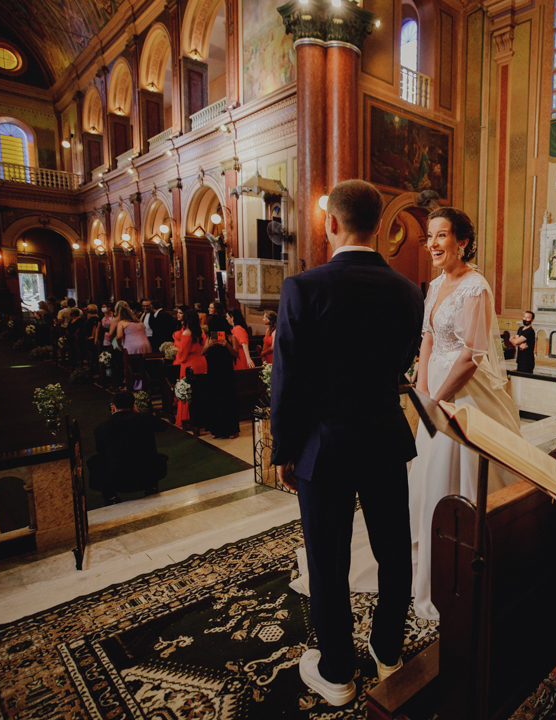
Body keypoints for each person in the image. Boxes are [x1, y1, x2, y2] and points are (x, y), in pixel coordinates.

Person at [270, 179, 424, 707]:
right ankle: (387, 652)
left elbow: (286, 381)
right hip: (383, 438)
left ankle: (337, 672)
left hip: (323, 446)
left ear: (330, 224)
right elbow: (401, 361)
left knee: (328, 560)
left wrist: (284, 450)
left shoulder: (303, 288)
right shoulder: (409, 291)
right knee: (393, 553)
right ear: (380, 228)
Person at [410, 206, 524, 620]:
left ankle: (466, 558)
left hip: (464, 394)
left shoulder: (476, 287)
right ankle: (429, 554)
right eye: (430, 236)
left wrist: (440, 397)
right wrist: (422, 391)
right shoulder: (435, 285)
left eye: (442, 236)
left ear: (462, 241)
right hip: (435, 389)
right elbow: (426, 339)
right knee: (426, 471)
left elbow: (472, 355)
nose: (434, 244)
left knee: (458, 472)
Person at [88, 391, 168, 505]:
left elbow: (101, 452)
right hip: (146, 471)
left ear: (113, 407)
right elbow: (163, 426)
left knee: (96, 461)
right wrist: (138, 413)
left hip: (118, 476)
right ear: (134, 405)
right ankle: (152, 488)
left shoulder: (102, 428)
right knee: (155, 457)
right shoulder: (145, 418)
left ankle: (111, 497)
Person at [202, 301, 241, 439]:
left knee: (228, 399)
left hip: (226, 373)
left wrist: (226, 345)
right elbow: (202, 352)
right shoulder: (210, 338)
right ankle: (216, 429)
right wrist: (209, 345)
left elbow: (236, 354)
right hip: (213, 372)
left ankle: (231, 429)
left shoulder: (232, 337)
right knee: (215, 399)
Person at [174, 310, 207, 426]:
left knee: (188, 391)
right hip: (202, 362)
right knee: (201, 391)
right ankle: (202, 417)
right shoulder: (201, 331)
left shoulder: (187, 333)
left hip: (190, 364)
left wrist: (176, 354)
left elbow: (183, 353)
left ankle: (187, 418)